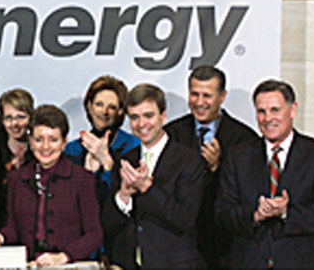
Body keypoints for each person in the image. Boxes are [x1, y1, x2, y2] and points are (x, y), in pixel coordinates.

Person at [215, 79, 314, 268]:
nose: (268, 119)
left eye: (275, 110)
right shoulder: (238, 155)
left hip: (297, 263)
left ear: (293, 110)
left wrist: (285, 212)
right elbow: (222, 211)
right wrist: (255, 215)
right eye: (261, 111)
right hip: (248, 262)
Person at [0, 105, 102, 267]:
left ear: (64, 142)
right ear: (30, 141)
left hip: (69, 265)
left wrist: (64, 256)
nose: (45, 147)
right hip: (30, 263)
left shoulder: (82, 179)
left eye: (53, 140)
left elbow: (94, 234)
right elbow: (12, 228)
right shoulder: (17, 178)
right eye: (39, 140)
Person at [101, 84, 205, 268]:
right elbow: (108, 224)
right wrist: (123, 196)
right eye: (134, 117)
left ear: (163, 116)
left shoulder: (189, 160)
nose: (141, 124)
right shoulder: (125, 160)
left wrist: (147, 189)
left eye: (148, 115)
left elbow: (185, 219)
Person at [164, 66, 258, 267]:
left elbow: (247, 195)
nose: (199, 102)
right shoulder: (171, 134)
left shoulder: (244, 139)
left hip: (225, 250)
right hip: (179, 248)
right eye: (194, 94)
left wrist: (218, 168)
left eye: (206, 95)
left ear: (222, 96)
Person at [63, 76, 140, 214]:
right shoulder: (71, 150)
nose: (104, 111)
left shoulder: (134, 146)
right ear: (89, 106)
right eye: (99, 104)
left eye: (111, 107)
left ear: (121, 111)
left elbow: (132, 199)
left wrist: (108, 164)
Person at [0, 88, 35, 234]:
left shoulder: (41, 152)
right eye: (9, 118)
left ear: (30, 118)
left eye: (21, 117)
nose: (14, 124)